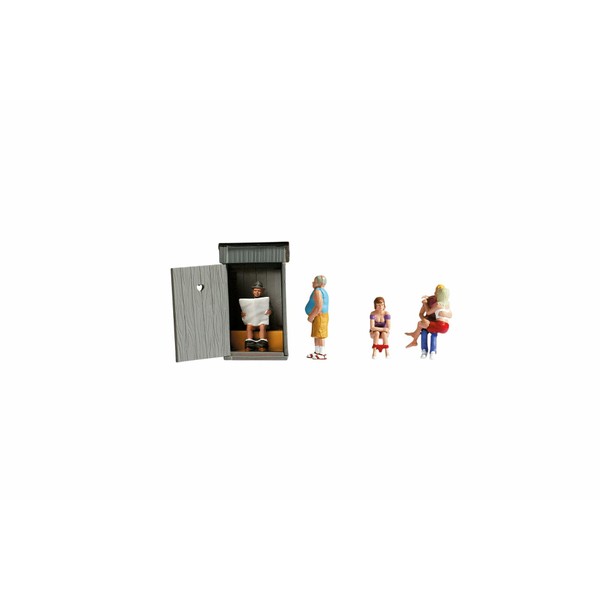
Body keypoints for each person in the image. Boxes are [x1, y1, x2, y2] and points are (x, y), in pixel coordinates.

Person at [405, 284, 452, 358]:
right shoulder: (432, 301)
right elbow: (421, 313)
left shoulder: (439, 303)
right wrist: (423, 318)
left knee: (432, 332)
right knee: (424, 332)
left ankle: (432, 350)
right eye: (435, 292)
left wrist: (445, 314)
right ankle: (424, 350)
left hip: (437, 324)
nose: (434, 293)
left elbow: (449, 314)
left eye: (437, 292)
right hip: (433, 323)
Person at [240, 281, 272, 351]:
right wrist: (243, 314)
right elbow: (245, 312)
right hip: (252, 322)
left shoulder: (265, 301)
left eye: (259, 291)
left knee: (262, 326)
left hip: (261, 322)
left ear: (262, 292)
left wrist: (269, 312)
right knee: (249, 326)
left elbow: (270, 310)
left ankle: (262, 345)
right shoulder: (248, 302)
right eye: (255, 290)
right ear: (252, 291)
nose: (257, 292)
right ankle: (249, 345)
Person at [305, 275, 329, 360]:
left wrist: (311, 316)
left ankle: (322, 353)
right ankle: (317, 352)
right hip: (318, 316)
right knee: (316, 334)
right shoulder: (318, 290)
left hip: (319, 316)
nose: (313, 283)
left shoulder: (318, 291)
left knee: (320, 335)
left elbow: (319, 306)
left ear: (320, 283)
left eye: (314, 281)